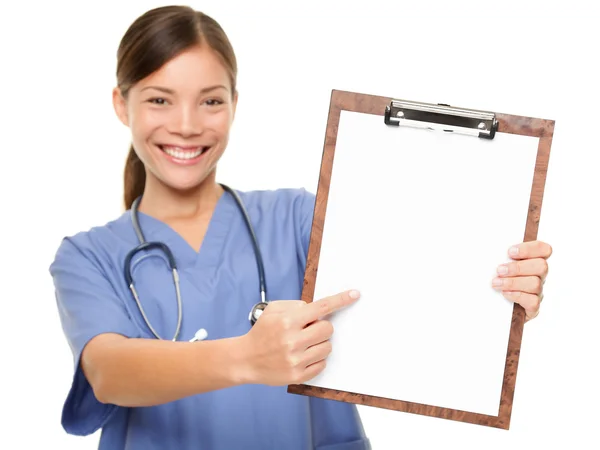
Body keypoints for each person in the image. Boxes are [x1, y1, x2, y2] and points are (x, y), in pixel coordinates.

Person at [48, 5, 553, 450]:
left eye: (210, 100)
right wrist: (246, 357)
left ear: (234, 104)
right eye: (160, 100)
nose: (186, 124)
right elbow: (107, 372)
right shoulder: (87, 256)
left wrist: (499, 298)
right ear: (122, 104)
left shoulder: (297, 218)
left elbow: (412, 281)